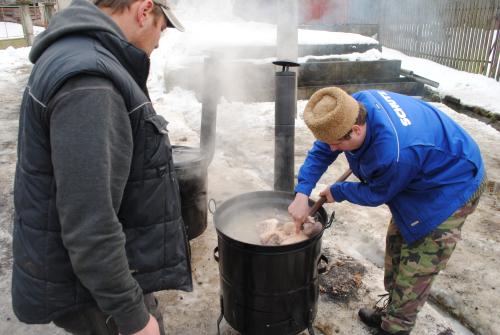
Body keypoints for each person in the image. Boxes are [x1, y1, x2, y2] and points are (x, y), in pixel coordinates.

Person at [12, 0, 192, 334]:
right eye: (162, 27)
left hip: (90, 283)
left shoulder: (78, 52)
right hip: (95, 297)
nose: (159, 40)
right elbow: (90, 225)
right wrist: (132, 317)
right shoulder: (92, 83)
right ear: (144, 11)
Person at [288, 87, 486, 335]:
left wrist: (340, 192)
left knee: (416, 265)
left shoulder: (393, 154)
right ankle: (393, 309)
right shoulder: (350, 107)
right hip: (417, 172)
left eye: (337, 144)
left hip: (450, 186)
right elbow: (322, 150)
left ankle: (396, 327)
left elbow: (378, 193)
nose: (332, 149)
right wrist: (302, 192)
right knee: (397, 246)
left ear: (357, 130)